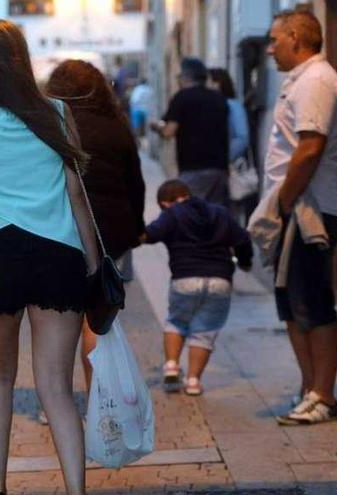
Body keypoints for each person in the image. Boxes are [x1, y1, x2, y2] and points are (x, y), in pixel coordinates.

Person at [0, 20, 99, 495]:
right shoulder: (55, 113)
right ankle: (76, 489)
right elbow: (77, 193)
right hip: (61, 254)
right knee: (57, 385)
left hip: (0, 255)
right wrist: (93, 262)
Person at [264, 8, 337, 425]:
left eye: (275, 39)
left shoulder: (316, 80)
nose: (269, 48)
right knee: (292, 301)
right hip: (298, 207)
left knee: (312, 300)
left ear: (296, 37)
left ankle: (324, 395)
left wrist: (283, 201)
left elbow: (310, 147)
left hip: (309, 208)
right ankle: (311, 389)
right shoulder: (301, 81)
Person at [45, 59, 145, 394]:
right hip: (110, 231)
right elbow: (135, 180)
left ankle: (56, 394)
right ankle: (97, 394)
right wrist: (138, 226)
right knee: (96, 314)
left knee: (61, 318)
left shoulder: (50, 125)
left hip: (63, 226)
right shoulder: (116, 125)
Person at [142, 179, 252, 395]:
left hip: (185, 278)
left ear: (165, 203)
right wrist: (245, 261)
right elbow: (242, 239)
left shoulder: (172, 214)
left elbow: (150, 235)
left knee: (176, 321)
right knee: (205, 331)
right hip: (220, 280)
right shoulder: (219, 212)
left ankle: (172, 365)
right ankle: (193, 382)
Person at [151, 58, 230, 208]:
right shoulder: (219, 98)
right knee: (215, 217)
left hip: (193, 168)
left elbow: (169, 131)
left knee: (192, 216)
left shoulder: (181, 98)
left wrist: (156, 127)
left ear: (185, 77)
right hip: (219, 170)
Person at [208, 68, 256, 224]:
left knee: (228, 216)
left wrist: (225, 157)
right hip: (217, 168)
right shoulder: (211, 105)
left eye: (210, 81)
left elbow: (242, 137)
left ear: (219, 83)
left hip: (230, 166)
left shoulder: (232, 105)